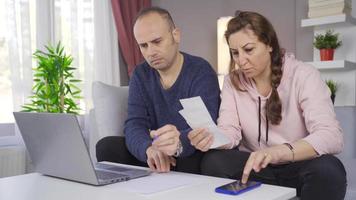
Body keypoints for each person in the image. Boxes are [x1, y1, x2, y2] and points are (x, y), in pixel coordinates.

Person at [188, 11, 346, 199]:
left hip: (298, 164)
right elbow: (230, 130)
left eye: (249, 50)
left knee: (329, 169)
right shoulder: (232, 82)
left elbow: (331, 136)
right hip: (257, 167)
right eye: (235, 53)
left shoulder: (304, 75)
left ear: (269, 44)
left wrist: (279, 152)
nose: (241, 60)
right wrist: (212, 138)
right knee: (213, 161)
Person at [96, 7, 220, 174]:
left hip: (189, 152)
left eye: (157, 42)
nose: (151, 52)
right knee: (107, 146)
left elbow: (205, 128)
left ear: (176, 35)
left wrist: (177, 144)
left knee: (201, 159)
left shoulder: (200, 71)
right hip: (157, 152)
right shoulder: (140, 74)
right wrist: (148, 149)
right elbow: (134, 124)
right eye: (143, 46)